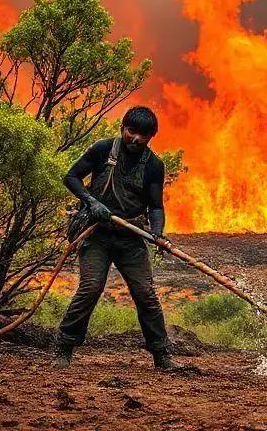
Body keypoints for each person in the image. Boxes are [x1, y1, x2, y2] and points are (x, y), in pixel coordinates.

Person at [54, 106, 177, 369]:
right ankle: (63, 347)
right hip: (95, 233)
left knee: (145, 293)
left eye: (142, 135)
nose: (135, 139)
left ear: (151, 136)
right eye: (131, 132)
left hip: (131, 238)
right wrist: (90, 201)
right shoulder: (102, 149)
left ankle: (161, 354)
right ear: (122, 128)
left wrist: (157, 234)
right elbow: (71, 176)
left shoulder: (154, 165)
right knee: (91, 288)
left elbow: (155, 206)